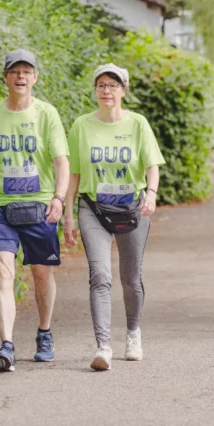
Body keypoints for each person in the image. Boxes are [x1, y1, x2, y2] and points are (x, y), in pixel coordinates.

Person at [0, 49, 70, 372]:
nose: (20, 77)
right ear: (6, 77)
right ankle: (7, 345)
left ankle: (44, 332)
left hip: (39, 206)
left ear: (35, 78)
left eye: (26, 72)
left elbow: (61, 162)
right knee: (2, 271)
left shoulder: (47, 115)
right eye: (14, 72)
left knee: (41, 274)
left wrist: (59, 199)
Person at [63, 64, 165, 371]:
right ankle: (103, 346)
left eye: (113, 85)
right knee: (100, 275)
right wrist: (67, 214)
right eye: (101, 86)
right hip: (92, 207)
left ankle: (133, 333)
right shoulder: (81, 125)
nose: (106, 91)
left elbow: (152, 164)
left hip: (132, 209)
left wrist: (151, 192)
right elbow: (74, 173)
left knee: (130, 279)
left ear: (124, 90)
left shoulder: (138, 124)